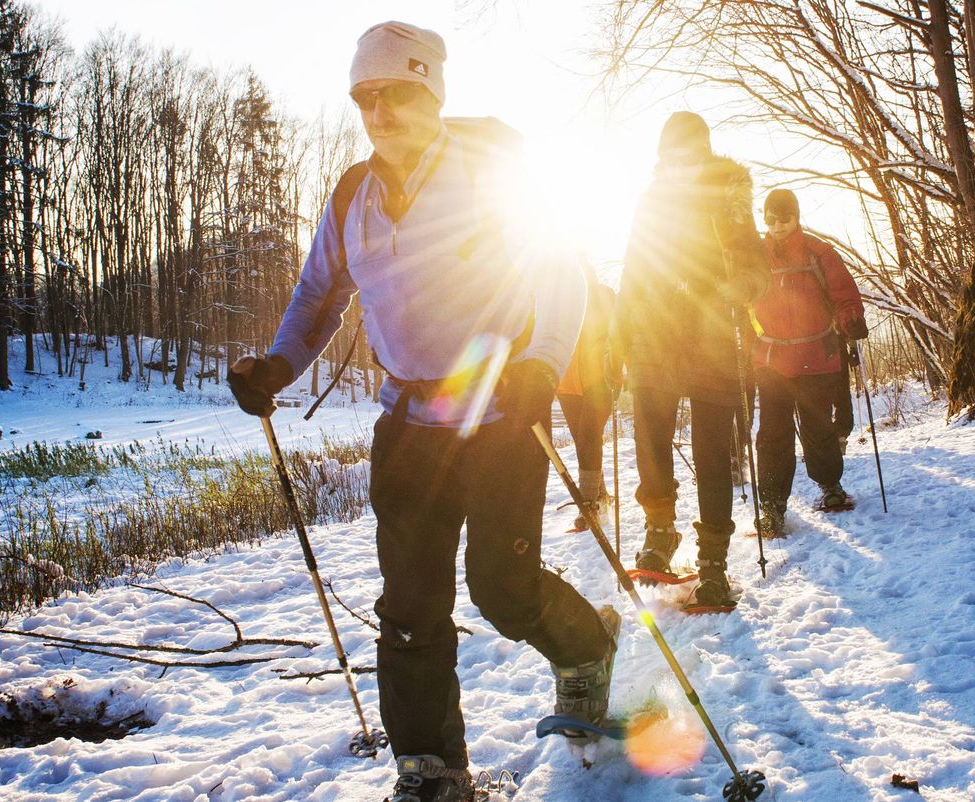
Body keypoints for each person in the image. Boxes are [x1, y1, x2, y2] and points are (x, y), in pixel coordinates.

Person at [226, 22, 617, 802]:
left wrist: (542, 363)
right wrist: (277, 365)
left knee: (502, 589)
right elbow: (318, 296)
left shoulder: (489, 173)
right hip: (406, 426)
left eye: (395, 94)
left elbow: (559, 271)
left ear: (431, 94)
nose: (378, 113)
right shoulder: (352, 195)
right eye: (364, 99)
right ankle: (431, 767)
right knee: (409, 604)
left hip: (501, 418)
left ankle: (585, 648)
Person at [615, 111, 769, 609]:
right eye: (670, 158)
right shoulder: (650, 202)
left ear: (705, 154)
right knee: (649, 436)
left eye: (689, 157)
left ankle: (713, 561)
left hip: (713, 337)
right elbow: (634, 267)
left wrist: (739, 286)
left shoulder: (729, 197)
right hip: (655, 334)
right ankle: (660, 530)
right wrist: (620, 331)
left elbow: (756, 266)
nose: (680, 167)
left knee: (711, 451)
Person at [750, 189, 867, 535]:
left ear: (796, 217)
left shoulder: (819, 252)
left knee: (817, 427)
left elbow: (844, 295)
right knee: (773, 434)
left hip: (815, 355)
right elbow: (738, 294)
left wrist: (851, 319)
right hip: (771, 359)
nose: (777, 226)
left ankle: (830, 485)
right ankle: (772, 506)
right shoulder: (755, 256)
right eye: (770, 219)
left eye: (784, 218)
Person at [556, 261, 620, 532]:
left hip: (599, 380)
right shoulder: (556, 300)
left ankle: (589, 504)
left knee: (589, 435)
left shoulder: (604, 295)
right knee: (583, 441)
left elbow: (619, 335)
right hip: (566, 382)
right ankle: (601, 496)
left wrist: (617, 370)